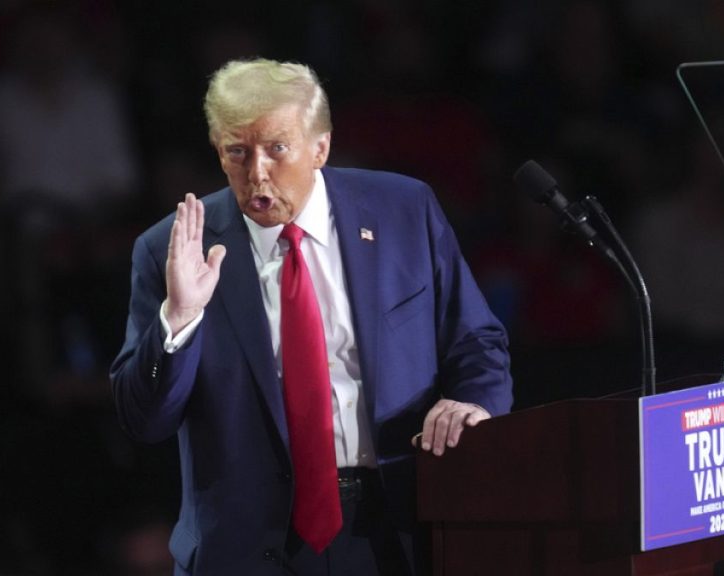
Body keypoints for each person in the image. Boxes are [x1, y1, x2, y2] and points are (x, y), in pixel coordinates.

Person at [110, 58, 512, 576]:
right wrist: (179, 320)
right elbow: (144, 420)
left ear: (320, 146)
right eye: (237, 151)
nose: (256, 171)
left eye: (277, 148)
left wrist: (473, 401)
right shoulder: (172, 249)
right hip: (249, 547)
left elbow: (477, 340)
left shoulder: (403, 211)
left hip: (398, 527)